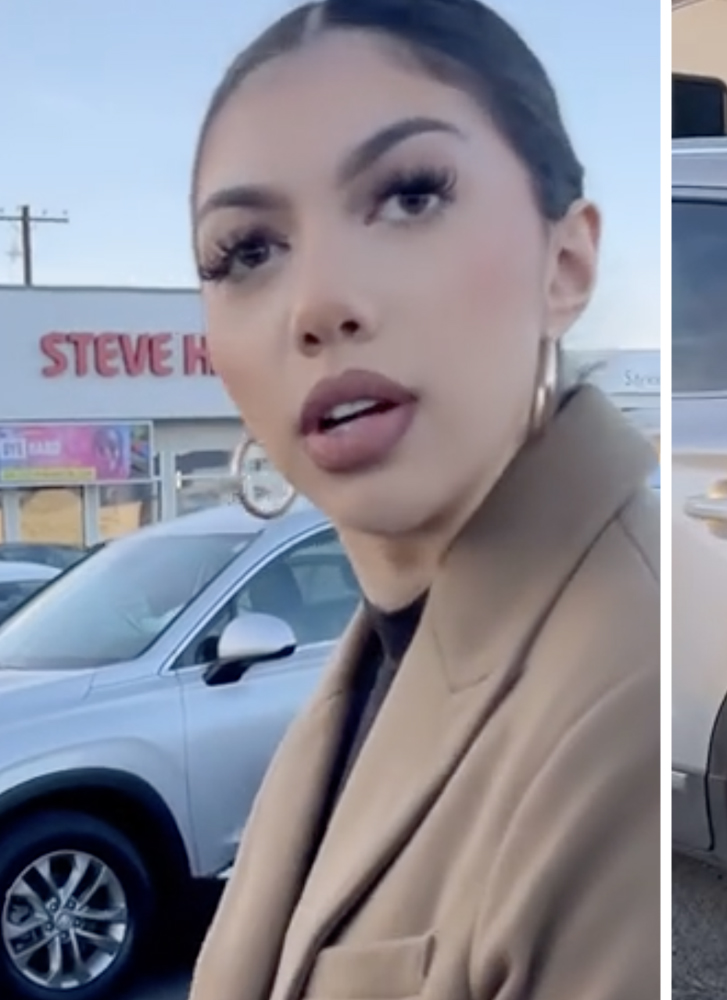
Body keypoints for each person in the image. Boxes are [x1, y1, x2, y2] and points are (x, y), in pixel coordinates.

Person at [184, 2, 659, 998]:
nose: (316, 305)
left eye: (406, 197)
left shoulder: (627, 691)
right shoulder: (375, 654)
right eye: (248, 251)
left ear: (564, 264)